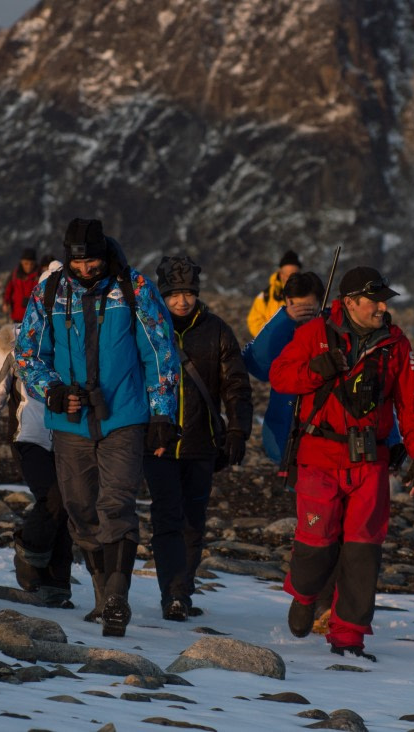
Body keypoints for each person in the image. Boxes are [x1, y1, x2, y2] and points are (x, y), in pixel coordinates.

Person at [16, 218, 179, 637]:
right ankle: (102, 593)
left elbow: (160, 351)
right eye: (79, 261)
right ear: (68, 256)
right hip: (69, 421)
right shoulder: (49, 291)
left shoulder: (133, 289)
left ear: (106, 254)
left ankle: (117, 597)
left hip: (124, 415)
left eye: (94, 261)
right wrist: (51, 390)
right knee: (80, 508)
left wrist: (162, 414)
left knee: (116, 504)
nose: (87, 268)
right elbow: (28, 353)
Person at [271, 266, 414, 660]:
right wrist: (316, 369)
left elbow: (409, 406)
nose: (383, 306)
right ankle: (305, 592)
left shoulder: (396, 344)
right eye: (374, 300)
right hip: (319, 457)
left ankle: (348, 638)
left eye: (384, 300)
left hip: (371, 462)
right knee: (316, 544)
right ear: (350, 302)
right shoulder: (314, 334)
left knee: (363, 552)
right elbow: (279, 377)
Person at [144, 255, 253, 621]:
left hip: (201, 443)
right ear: (162, 295)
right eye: (174, 294)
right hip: (156, 443)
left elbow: (236, 385)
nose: (182, 301)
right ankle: (171, 594)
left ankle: (182, 592)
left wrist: (238, 430)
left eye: (188, 292)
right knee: (166, 519)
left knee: (193, 521)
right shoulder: (147, 328)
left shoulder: (218, 331)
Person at [0, 304, 75, 608]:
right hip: (29, 436)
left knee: (67, 506)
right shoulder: (17, 339)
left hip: (72, 437)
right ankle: (29, 553)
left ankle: (58, 585)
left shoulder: (81, 336)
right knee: (54, 498)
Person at [242, 271, 326, 463]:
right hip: (284, 433)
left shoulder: (333, 331)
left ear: (321, 303)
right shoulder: (281, 328)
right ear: (287, 301)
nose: (303, 316)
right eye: (298, 308)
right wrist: (285, 319)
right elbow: (256, 364)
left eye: (309, 310)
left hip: (322, 435)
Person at [247, 250, 302, 337]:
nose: (291, 279)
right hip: (273, 346)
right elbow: (254, 322)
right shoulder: (265, 296)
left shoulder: (307, 294)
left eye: (294, 275)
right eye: (288, 275)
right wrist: (272, 333)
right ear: (281, 274)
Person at [2, 248, 41, 322]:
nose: (29, 266)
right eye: (26, 263)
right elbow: (7, 291)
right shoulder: (14, 275)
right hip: (17, 315)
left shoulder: (40, 276)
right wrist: (6, 303)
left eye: (31, 264)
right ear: (21, 262)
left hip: (34, 316)